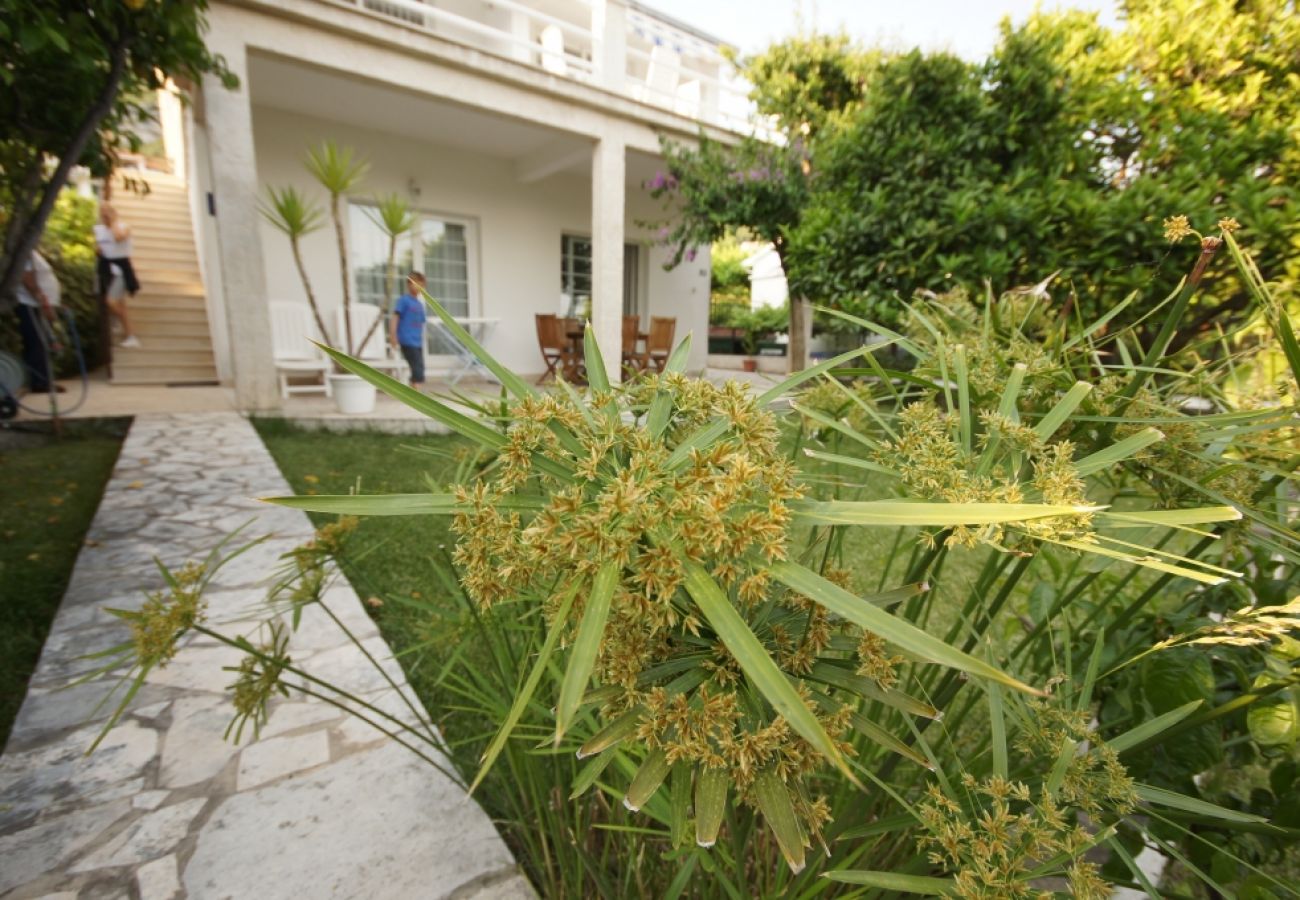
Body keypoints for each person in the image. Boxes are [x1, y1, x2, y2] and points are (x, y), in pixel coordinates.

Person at [14, 250, 64, 394]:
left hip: (36, 305)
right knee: (37, 343)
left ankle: (43, 381)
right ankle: (40, 383)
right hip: (31, 304)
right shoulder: (24, 252)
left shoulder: (31, 252)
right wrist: (43, 301)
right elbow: (27, 277)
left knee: (41, 343)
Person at [94, 202, 141, 348]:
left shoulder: (124, 226)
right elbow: (101, 248)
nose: (105, 214)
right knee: (120, 304)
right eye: (102, 212)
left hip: (121, 269)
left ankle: (127, 329)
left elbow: (119, 237)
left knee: (112, 302)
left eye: (107, 211)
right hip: (107, 268)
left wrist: (113, 222)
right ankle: (129, 334)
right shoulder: (98, 230)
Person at [389, 271, 427, 388]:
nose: (418, 287)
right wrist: (393, 336)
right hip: (407, 340)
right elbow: (395, 317)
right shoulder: (404, 300)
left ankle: (414, 389)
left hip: (417, 341)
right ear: (409, 284)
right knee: (416, 367)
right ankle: (416, 392)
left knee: (420, 367)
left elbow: (421, 323)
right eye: (415, 283)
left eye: (421, 284)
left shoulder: (420, 304)